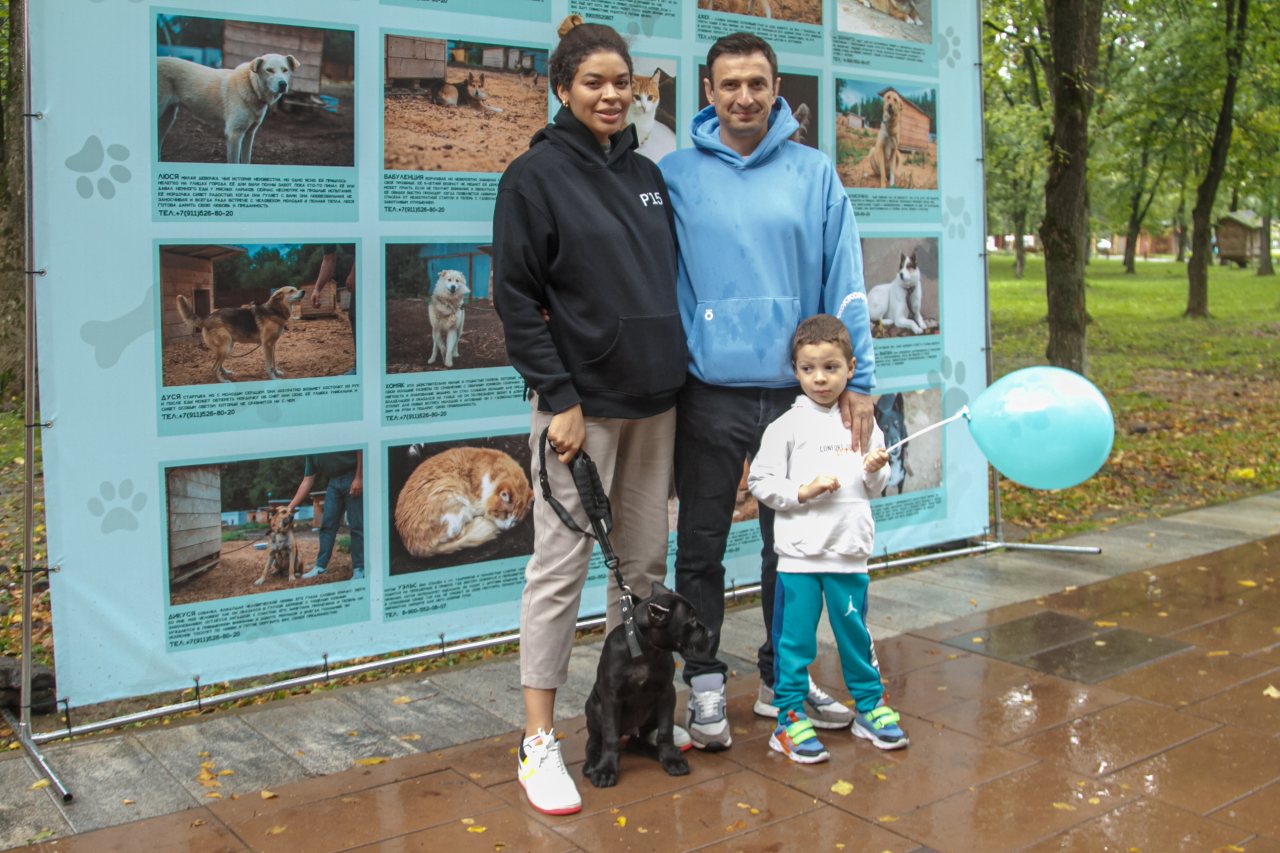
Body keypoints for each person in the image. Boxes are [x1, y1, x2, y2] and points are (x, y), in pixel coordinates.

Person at [492, 18, 688, 816]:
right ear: (562, 88)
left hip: (654, 404)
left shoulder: (648, 171)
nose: (612, 95)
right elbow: (514, 298)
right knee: (560, 573)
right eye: (594, 82)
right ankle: (539, 741)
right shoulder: (532, 177)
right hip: (579, 414)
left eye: (623, 82)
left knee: (641, 576)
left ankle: (628, 720)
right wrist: (559, 397)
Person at [659, 32, 876, 750]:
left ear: (777, 88)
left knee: (795, 549)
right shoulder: (677, 174)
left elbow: (845, 276)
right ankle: (705, 683)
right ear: (708, 92)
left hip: (797, 397)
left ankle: (783, 683)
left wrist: (861, 379)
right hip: (710, 391)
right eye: (729, 84)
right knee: (700, 544)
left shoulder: (815, 174)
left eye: (757, 83)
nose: (744, 97)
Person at [748, 315, 906, 763]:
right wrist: (802, 491)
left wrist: (876, 470)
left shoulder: (863, 424)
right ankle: (789, 719)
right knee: (794, 645)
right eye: (809, 369)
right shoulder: (784, 427)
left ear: (851, 368)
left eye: (831, 368)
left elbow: (874, 486)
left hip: (849, 556)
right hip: (798, 561)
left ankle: (871, 708)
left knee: (855, 637)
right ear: (795, 371)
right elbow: (761, 482)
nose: (820, 378)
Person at [287, 450, 364, 581]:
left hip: (352, 475)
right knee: (327, 525)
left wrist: (359, 477)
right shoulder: (311, 452)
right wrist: (289, 508)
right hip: (333, 482)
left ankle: (360, 568)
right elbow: (307, 481)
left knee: (356, 525)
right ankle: (320, 566)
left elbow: (360, 449)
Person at [312, 243, 357, 375]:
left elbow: (368, 245)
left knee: (360, 315)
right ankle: (361, 366)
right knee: (354, 315)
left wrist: (355, 272)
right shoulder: (326, 233)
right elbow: (328, 259)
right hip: (360, 263)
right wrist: (317, 288)